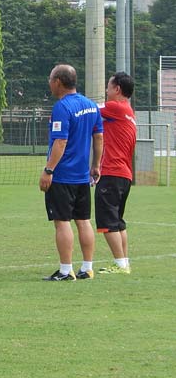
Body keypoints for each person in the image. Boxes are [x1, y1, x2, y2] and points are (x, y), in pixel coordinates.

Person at [40, 64, 103, 281]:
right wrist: (95, 165)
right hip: (82, 176)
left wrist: (49, 170)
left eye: (50, 79)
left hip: (63, 175)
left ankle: (66, 271)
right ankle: (87, 268)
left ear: (58, 81)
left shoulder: (62, 107)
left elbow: (60, 141)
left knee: (62, 221)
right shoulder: (91, 105)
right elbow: (99, 137)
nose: (49, 83)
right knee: (84, 220)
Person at [95, 72, 136, 275]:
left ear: (117, 89)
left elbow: (88, 110)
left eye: (108, 86)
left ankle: (120, 264)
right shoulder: (128, 111)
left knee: (107, 221)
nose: (106, 90)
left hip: (111, 172)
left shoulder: (114, 108)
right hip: (124, 175)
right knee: (118, 221)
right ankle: (124, 262)